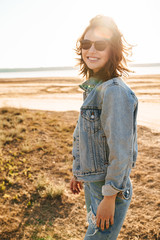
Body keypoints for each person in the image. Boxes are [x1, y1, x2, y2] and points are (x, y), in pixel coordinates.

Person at [70, 15, 138, 240]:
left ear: (113, 50)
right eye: (86, 44)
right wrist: (77, 170)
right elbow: (83, 134)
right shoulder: (93, 88)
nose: (91, 50)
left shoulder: (114, 92)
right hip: (94, 184)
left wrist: (109, 197)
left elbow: (121, 151)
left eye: (100, 45)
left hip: (110, 190)